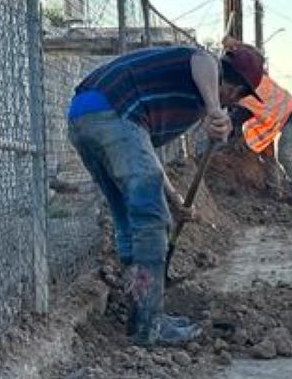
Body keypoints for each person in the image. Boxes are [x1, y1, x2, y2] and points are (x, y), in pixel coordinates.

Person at [67, 42, 266, 346]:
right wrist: (214, 111)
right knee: (152, 219)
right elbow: (203, 58)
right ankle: (150, 326)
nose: (233, 103)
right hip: (114, 110)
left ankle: (142, 316)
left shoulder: (181, 95)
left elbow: (142, 152)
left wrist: (175, 200)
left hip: (85, 117)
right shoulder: (206, 67)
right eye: (237, 96)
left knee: (126, 217)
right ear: (233, 86)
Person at [237, 72, 292, 205]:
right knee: (269, 155)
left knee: (285, 155)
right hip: (278, 118)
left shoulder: (249, 90)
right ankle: (275, 191)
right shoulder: (254, 81)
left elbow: (241, 114)